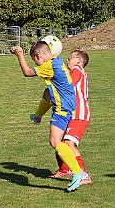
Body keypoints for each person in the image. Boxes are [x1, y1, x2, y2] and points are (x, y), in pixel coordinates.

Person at [10, 42, 87, 192]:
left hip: (61, 109)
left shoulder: (49, 66)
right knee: (47, 92)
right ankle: (37, 117)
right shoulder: (56, 60)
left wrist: (20, 55)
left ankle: (79, 172)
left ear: (38, 56)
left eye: (34, 60)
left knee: (55, 141)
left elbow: (27, 72)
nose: (36, 64)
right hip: (66, 106)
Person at [30, 50, 92, 184]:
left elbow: (67, 84)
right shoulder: (75, 69)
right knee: (59, 141)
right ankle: (65, 169)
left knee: (68, 144)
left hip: (78, 113)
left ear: (79, 60)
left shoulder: (77, 69)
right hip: (71, 112)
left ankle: (83, 174)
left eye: (70, 58)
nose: (68, 60)